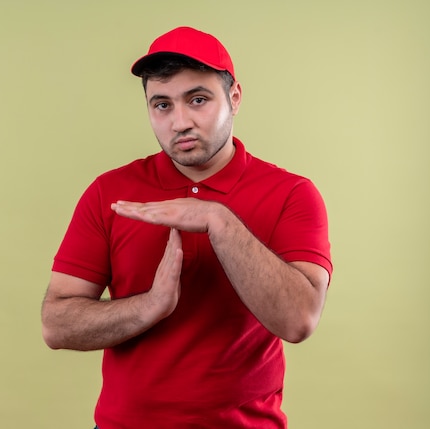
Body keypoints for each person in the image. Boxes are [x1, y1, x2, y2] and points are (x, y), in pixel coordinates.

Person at [41, 26, 333, 429]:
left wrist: (218, 219)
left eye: (198, 100)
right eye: (162, 105)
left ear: (234, 98)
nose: (180, 122)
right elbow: (56, 324)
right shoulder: (111, 192)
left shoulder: (291, 194)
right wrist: (150, 306)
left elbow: (298, 320)